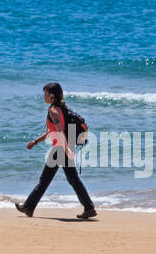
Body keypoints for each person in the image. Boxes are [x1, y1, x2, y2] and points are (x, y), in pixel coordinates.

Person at [15, 82, 97, 219]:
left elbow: (59, 130)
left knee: (45, 180)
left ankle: (28, 207)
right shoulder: (61, 108)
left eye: (45, 93)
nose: (44, 96)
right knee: (72, 179)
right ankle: (89, 208)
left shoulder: (53, 110)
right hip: (65, 146)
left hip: (60, 148)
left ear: (52, 96)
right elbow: (51, 131)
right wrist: (35, 142)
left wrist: (65, 149)